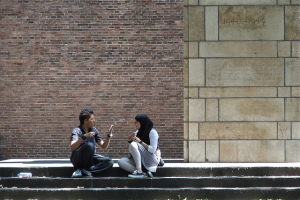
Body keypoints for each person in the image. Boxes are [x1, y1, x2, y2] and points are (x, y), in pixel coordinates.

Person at [70, 109, 115, 178]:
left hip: (91, 158)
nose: (94, 121)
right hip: (78, 159)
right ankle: (83, 170)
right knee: (89, 145)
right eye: (92, 119)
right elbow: (72, 147)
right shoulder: (77, 131)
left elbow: (103, 146)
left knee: (109, 162)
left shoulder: (94, 130)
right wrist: (83, 137)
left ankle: (86, 172)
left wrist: (108, 136)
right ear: (85, 121)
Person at [118, 114, 161, 178]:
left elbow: (152, 150)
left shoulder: (152, 132)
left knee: (134, 144)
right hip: (142, 158)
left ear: (142, 122)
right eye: (134, 122)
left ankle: (139, 171)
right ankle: (143, 173)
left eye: (136, 122)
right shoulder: (138, 132)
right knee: (121, 162)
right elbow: (132, 151)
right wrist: (130, 141)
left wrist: (140, 142)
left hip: (152, 158)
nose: (135, 124)